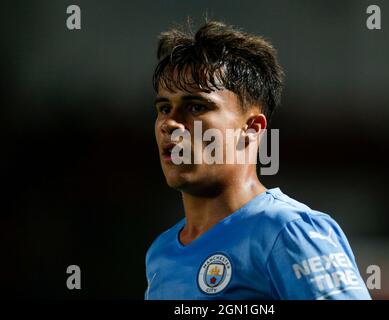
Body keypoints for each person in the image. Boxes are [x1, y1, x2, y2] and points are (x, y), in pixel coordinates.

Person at [145, 20, 371, 300]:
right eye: (164, 108)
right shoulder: (160, 254)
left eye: (196, 106)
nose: (170, 123)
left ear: (251, 129)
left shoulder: (288, 231)